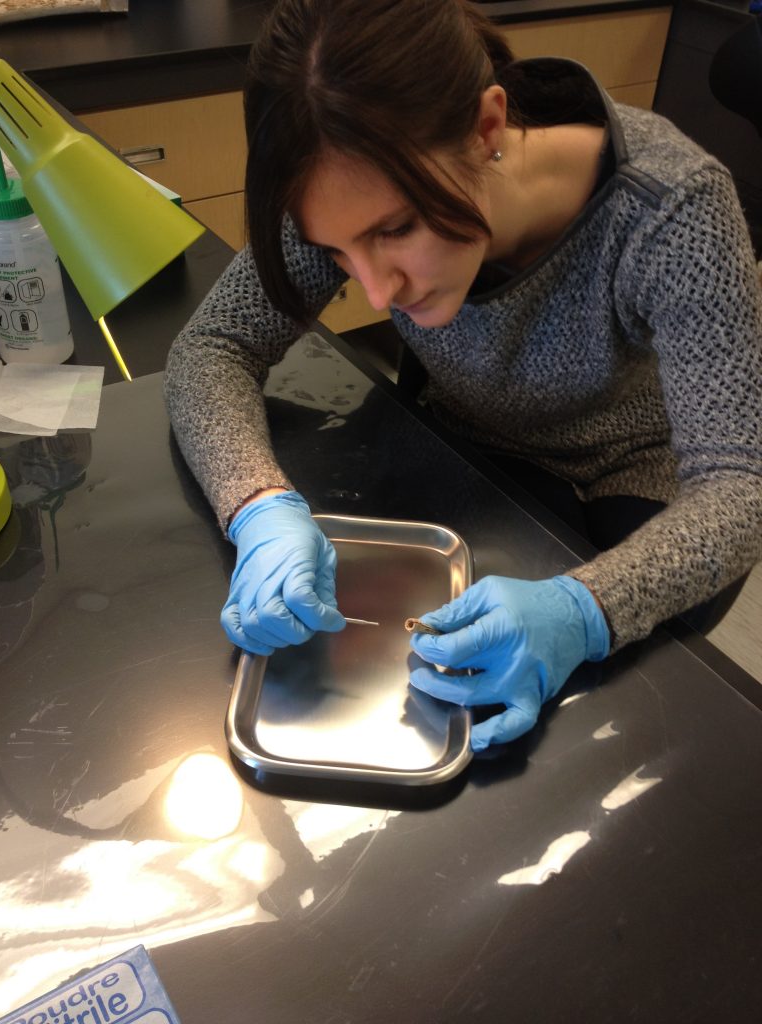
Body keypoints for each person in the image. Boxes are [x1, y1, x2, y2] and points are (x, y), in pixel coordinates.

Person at [163, 0, 762, 752]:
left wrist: (587, 608)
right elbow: (212, 346)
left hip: (629, 477)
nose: (376, 293)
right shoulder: (347, 178)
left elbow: (743, 483)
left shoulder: (673, 212)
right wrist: (256, 503)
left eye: (397, 231)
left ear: (487, 130)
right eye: (341, 255)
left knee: (610, 728)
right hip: (465, 446)